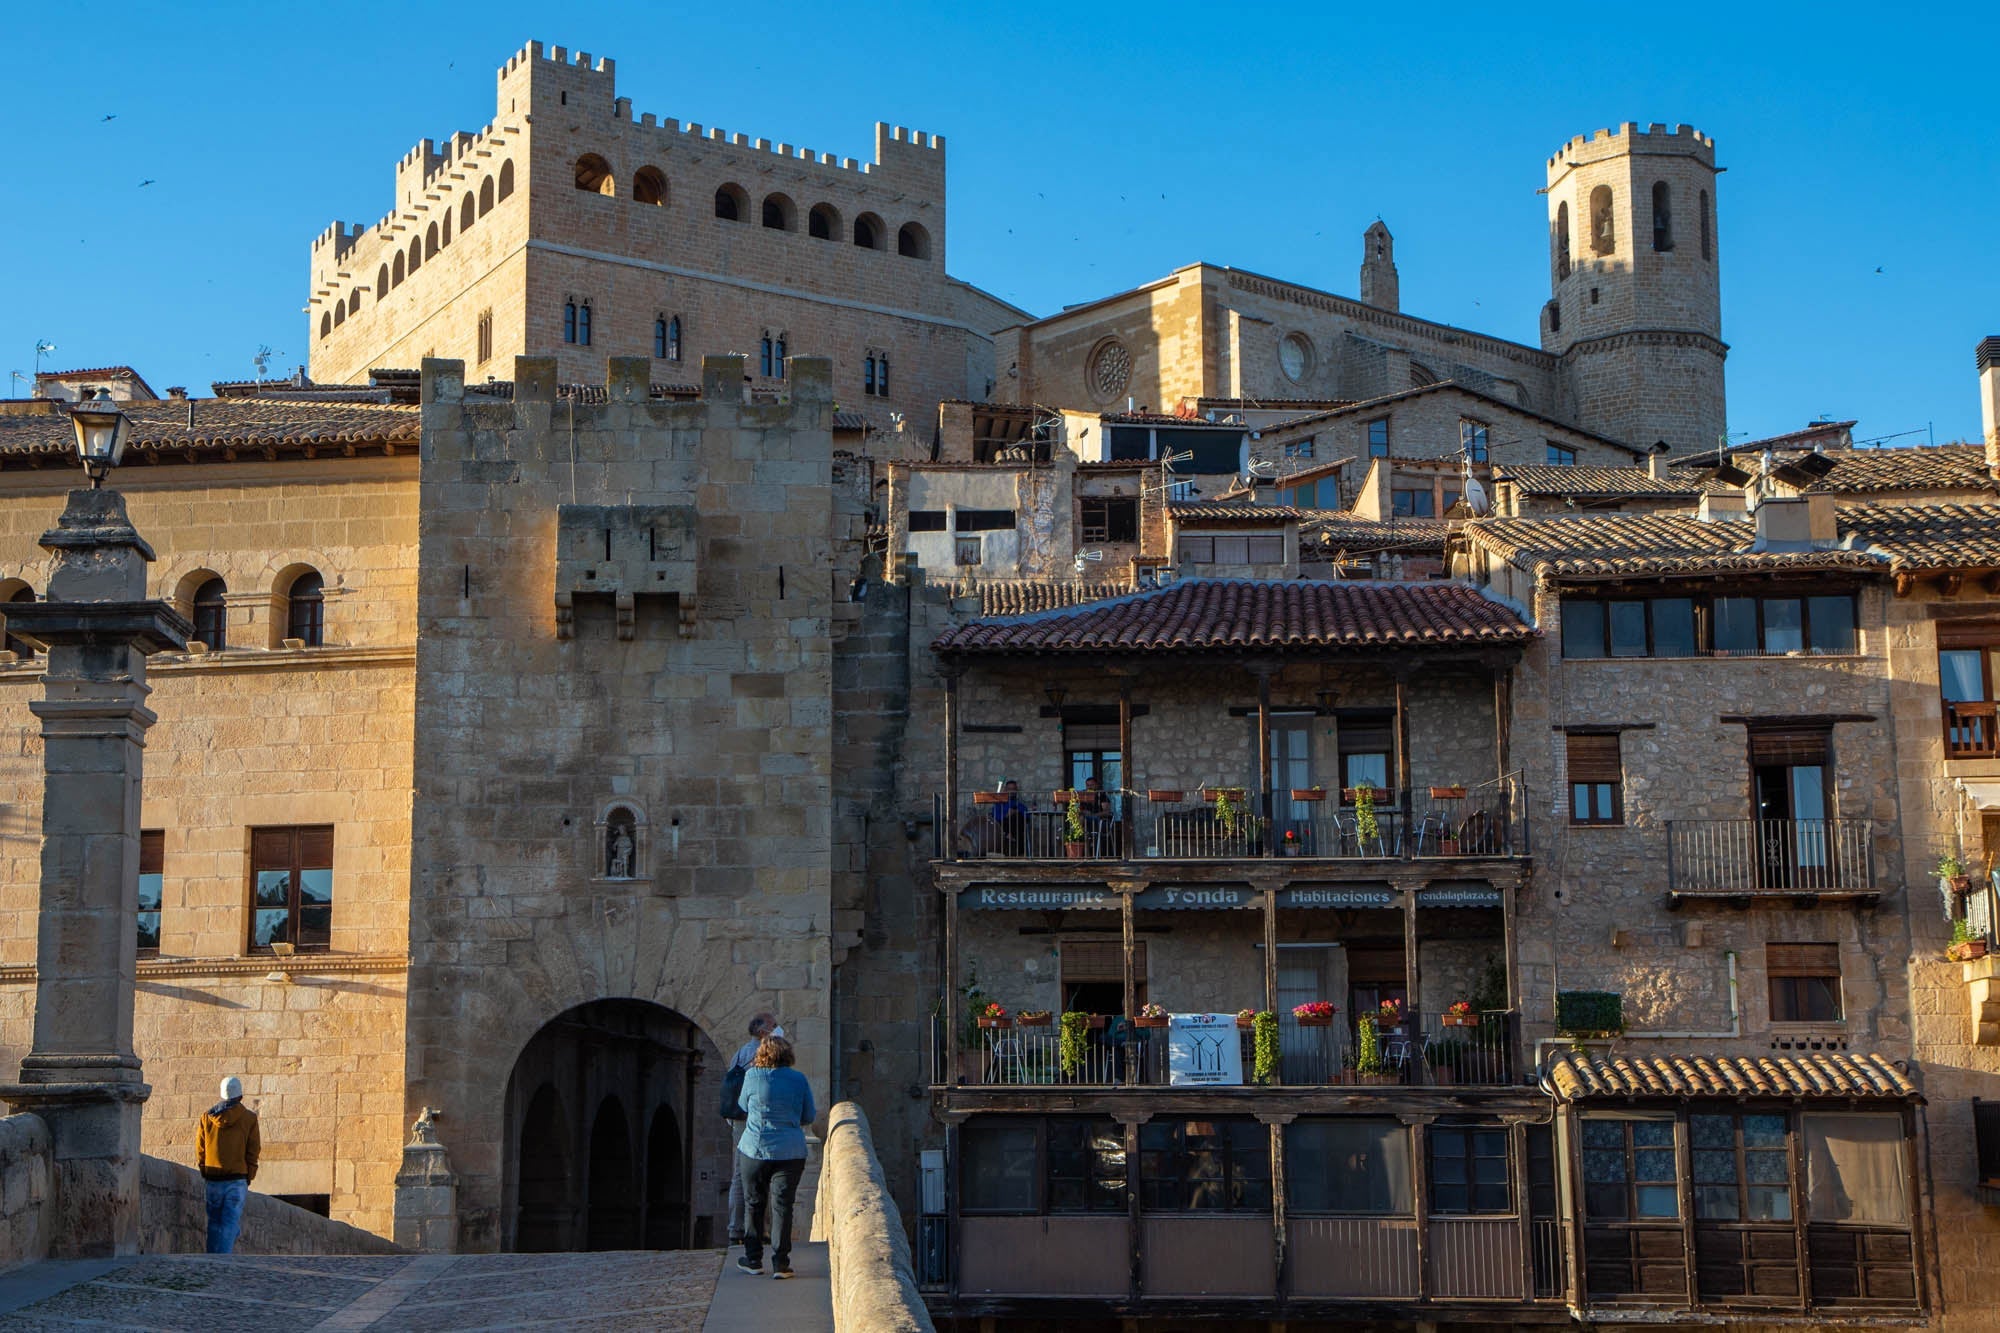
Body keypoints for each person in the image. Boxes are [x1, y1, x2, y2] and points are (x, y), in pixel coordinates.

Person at [735, 1035, 815, 1279]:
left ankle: (753, 1259)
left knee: (754, 1203)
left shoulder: (752, 1077)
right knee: (783, 1205)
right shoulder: (799, 1079)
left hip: (755, 1149)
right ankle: (781, 1263)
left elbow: (742, 1106)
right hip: (790, 1151)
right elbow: (808, 1115)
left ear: (761, 1054)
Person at [724, 1012, 780, 1246]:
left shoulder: (739, 1054)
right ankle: (761, 1229)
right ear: (762, 1031)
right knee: (763, 1171)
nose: (778, 1028)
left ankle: (736, 1228)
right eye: (773, 1025)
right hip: (756, 1117)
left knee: (739, 1173)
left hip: (738, 1119)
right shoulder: (763, 1053)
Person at [198, 1075, 260, 1253]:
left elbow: (200, 1148)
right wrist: (250, 1174)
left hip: (213, 1178)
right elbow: (253, 1149)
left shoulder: (206, 1118)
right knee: (229, 1222)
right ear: (240, 1096)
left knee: (214, 1222)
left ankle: (212, 1259)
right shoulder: (249, 1118)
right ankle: (222, 1263)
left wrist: (205, 1170)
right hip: (236, 1179)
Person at [989, 779, 1029, 855]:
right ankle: (1011, 838)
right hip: (1002, 826)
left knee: (1017, 817)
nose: (1011, 791)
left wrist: (1016, 812)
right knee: (1013, 819)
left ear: (1016, 790)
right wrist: (1007, 815)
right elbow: (995, 817)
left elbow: (1027, 817)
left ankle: (1010, 836)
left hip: (1016, 827)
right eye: (1009, 789)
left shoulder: (1020, 805)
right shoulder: (999, 804)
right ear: (1005, 790)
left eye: (1013, 789)